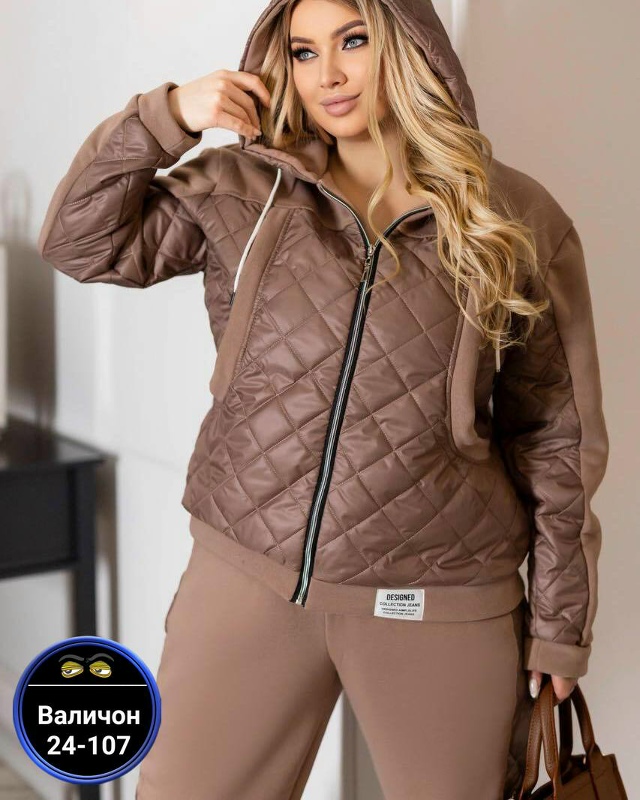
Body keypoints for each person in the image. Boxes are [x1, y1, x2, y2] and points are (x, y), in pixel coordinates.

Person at [37, 0, 609, 797]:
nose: (328, 75)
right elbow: (79, 241)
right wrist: (167, 116)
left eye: (353, 41)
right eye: (303, 52)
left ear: (408, 45)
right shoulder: (247, 186)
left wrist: (559, 627)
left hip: (438, 593)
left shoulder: (512, 218)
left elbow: (555, 439)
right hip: (247, 576)